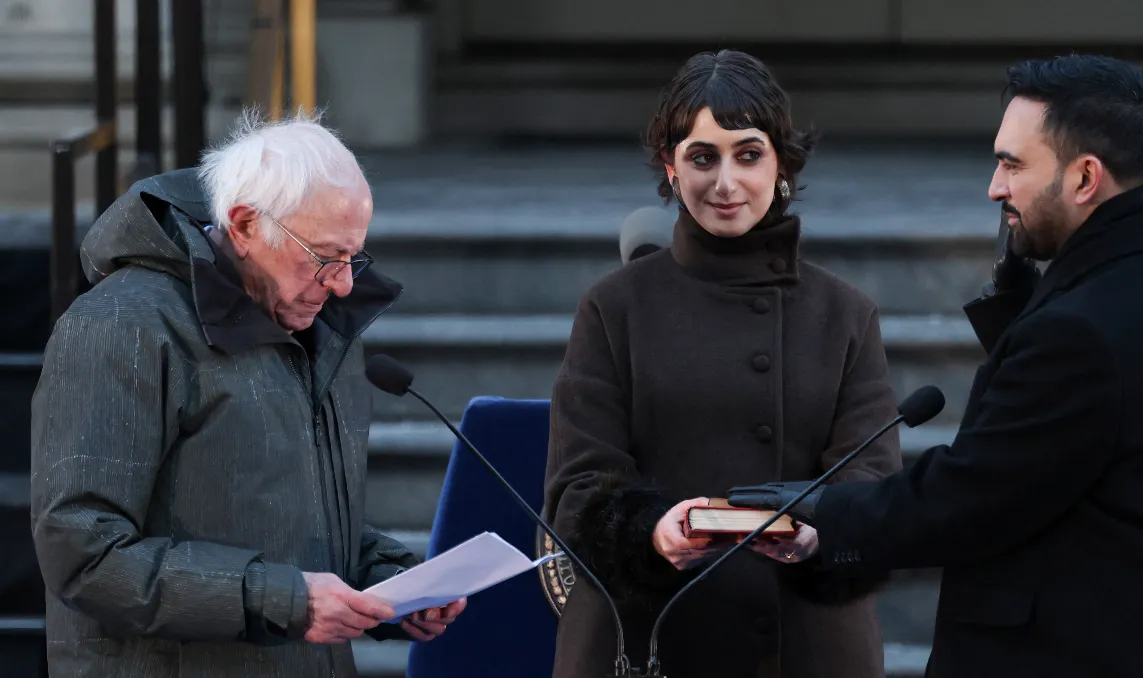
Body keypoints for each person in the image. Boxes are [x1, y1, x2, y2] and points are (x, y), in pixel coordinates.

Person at [728, 54, 1143, 677]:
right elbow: (1069, 445)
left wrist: (822, 514)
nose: (995, 188)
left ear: (1084, 178)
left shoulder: (1081, 330)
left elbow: (976, 493)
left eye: (1012, 164)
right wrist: (1022, 315)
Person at [29, 110, 466, 678]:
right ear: (243, 225)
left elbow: (290, 521)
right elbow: (83, 551)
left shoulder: (319, 325)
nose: (343, 284)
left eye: (353, 256)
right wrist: (284, 601)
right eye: (325, 257)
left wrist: (392, 583)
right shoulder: (121, 326)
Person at [542, 50, 903, 678]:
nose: (725, 183)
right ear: (670, 167)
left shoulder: (845, 313)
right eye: (702, 157)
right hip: (647, 640)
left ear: (782, 164)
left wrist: (818, 533)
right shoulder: (613, 307)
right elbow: (577, 492)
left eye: (749, 154)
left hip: (804, 648)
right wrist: (655, 534)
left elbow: (873, 483)